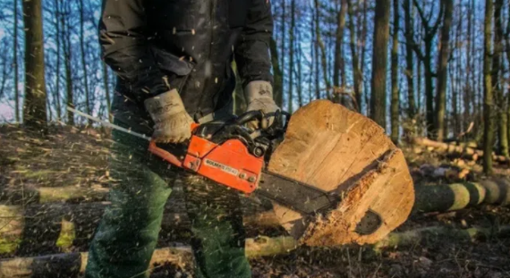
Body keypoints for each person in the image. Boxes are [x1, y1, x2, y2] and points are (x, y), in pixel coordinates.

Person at [85, 0, 279, 277]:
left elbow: (254, 30)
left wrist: (260, 89)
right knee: (132, 224)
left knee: (221, 231)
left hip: (216, 113)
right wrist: (160, 99)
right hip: (145, 110)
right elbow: (120, 33)